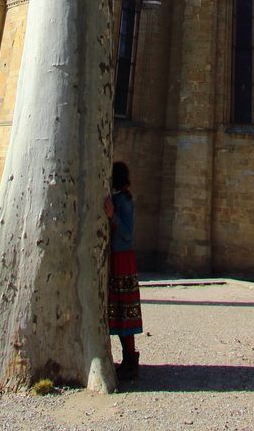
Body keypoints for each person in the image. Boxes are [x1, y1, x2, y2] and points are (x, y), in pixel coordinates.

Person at [104, 160, 143, 381]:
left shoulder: (123, 202)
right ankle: (128, 360)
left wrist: (112, 217)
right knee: (119, 311)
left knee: (124, 311)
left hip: (122, 259)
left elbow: (128, 234)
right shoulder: (120, 199)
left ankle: (130, 360)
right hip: (118, 258)